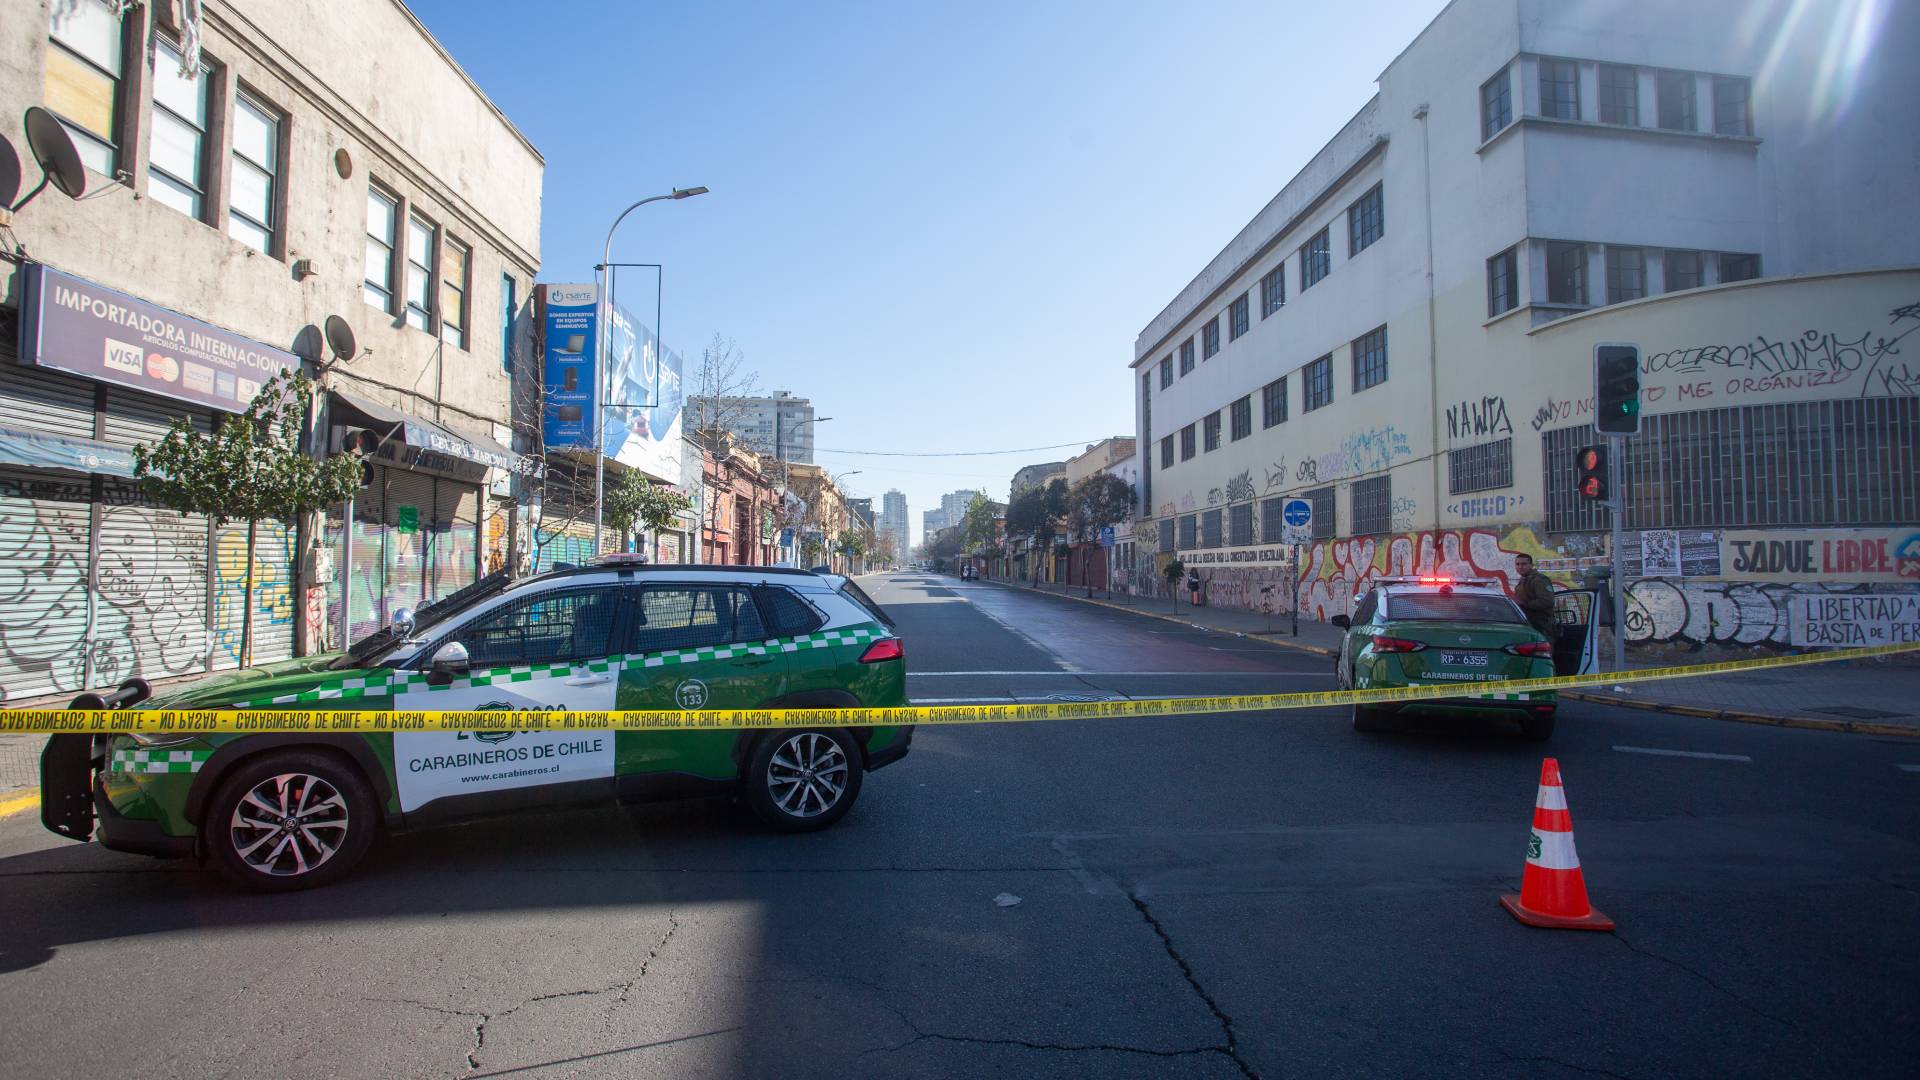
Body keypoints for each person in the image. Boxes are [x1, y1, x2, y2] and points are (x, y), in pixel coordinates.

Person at [1513, 554, 1558, 641]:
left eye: (1524, 564)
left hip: (1542, 625)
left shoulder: (1539, 580)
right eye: (1517, 564)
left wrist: (1525, 604)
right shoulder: (1524, 579)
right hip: (1530, 624)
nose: (1520, 567)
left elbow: (1547, 601)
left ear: (1531, 565)